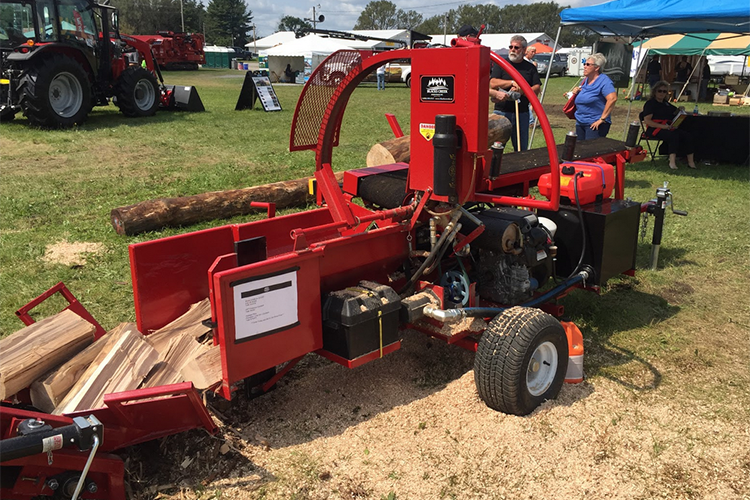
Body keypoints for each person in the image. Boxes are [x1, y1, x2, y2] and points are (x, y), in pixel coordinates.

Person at [489, 35, 541, 151]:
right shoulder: (502, 64)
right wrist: (511, 82)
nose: (512, 49)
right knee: (496, 147)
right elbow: (493, 82)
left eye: (516, 47)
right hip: (501, 112)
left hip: (521, 113)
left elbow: (537, 87)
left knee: (521, 147)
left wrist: (522, 90)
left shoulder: (530, 68)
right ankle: (494, 169)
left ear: (523, 50)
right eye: (511, 47)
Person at [641, 80, 697, 170]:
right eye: (660, 91)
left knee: (687, 136)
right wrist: (663, 127)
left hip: (667, 128)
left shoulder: (666, 104)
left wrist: (680, 109)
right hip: (654, 129)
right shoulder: (650, 104)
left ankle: (691, 162)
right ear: (655, 91)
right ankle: (672, 162)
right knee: (673, 136)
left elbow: (674, 111)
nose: (662, 93)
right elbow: (647, 121)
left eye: (664, 91)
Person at [570, 53, 617, 140]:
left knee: (590, 151)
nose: (585, 66)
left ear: (597, 67)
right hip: (580, 122)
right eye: (584, 64)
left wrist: (602, 119)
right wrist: (575, 93)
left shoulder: (604, 81)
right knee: (579, 150)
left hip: (594, 124)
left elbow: (612, 99)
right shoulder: (585, 81)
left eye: (588, 64)